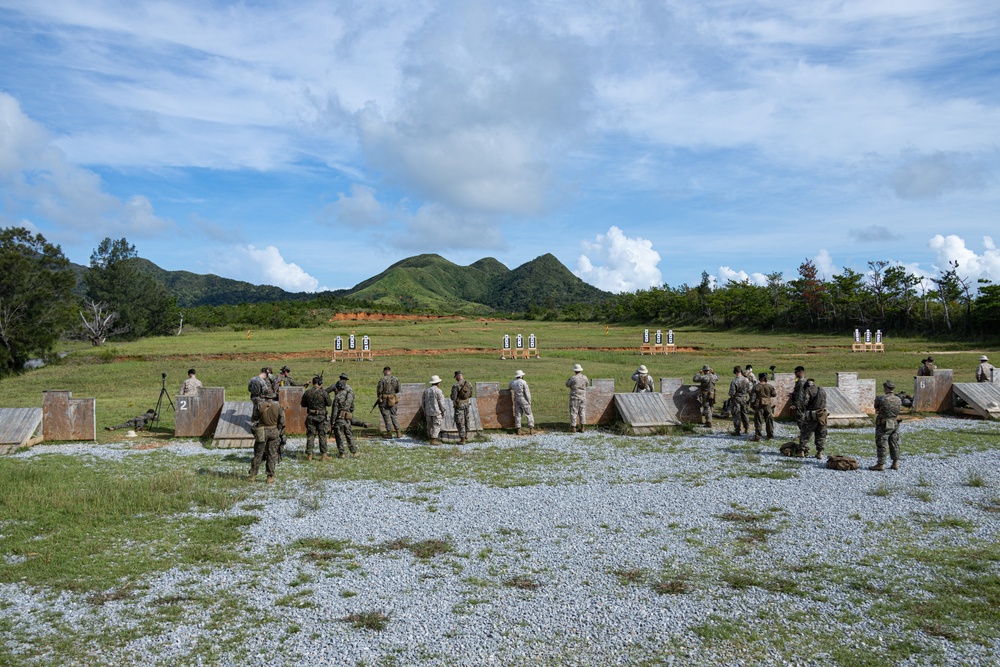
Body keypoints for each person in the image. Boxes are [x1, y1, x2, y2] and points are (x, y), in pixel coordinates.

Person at [249, 391, 283, 484]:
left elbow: (254, 418)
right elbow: (282, 421)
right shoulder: (279, 406)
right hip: (273, 431)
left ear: (264, 396)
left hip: (262, 431)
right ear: (272, 397)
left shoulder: (259, 406)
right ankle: (270, 476)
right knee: (272, 454)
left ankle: (252, 475)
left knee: (258, 453)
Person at [870, 380, 902, 471]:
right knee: (894, 443)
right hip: (895, 423)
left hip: (884, 424)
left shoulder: (881, 399)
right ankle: (895, 463)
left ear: (886, 388)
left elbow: (876, 409)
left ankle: (881, 464)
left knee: (882, 443)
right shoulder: (898, 399)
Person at [301, 375, 332, 461]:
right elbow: (329, 403)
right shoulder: (323, 393)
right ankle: (324, 455)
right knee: (322, 435)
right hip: (321, 417)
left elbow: (303, 404)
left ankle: (309, 455)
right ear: (320, 383)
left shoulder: (307, 392)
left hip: (311, 416)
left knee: (311, 435)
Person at [797, 379, 828, 459]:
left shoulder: (808, 390)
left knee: (805, 433)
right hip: (822, 414)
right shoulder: (821, 390)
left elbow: (804, 402)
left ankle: (801, 451)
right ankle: (819, 452)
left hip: (811, 415)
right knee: (821, 434)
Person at [330, 373, 358, 458]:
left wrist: (332, 422)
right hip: (347, 418)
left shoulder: (337, 397)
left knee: (339, 437)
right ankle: (354, 452)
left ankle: (342, 453)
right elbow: (352, 407)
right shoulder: (349, 394)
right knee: (349, 435)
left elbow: (334, 411)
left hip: (339, 419)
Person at [749, 372, 776, 441]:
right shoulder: (770, 386)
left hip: (759, 406)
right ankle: (770, 435)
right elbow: (774, 394)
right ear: (766, 378)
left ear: (759, 378)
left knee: (758, 421)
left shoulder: (756, 387)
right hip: (768, 405)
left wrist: (752, 405)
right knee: (769, 420)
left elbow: (752, 398)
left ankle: (758, 436)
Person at [377, 366, 401, 439]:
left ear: (384, 371)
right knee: (394, 415)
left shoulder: (382, 380)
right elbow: (398, 390)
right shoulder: (395, 379)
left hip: (384, 400)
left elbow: (379, 391)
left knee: (386, 416)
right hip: (393, 399)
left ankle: (389, 433)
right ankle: (398, 432)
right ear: (389, 371)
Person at [422, 375, 447, 445]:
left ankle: (430, 438)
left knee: (429, 426)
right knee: (436, 425)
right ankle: (433, 440)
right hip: (436, 412)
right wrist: (443, 411)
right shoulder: (438, 391)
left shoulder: (426, 390)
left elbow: (423, 402)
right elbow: (441, 403)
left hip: (428, 411)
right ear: (438, 383)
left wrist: (424, 410)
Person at [451, 370, 474, 444]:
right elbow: (470, 395)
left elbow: (454, 397)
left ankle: (462, 439)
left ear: (458, 376)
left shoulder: (456, 385)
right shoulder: (469, 384)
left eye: (456, 377)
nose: (455, 379)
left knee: (460, 421)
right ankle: (467, 435)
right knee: (467, 419)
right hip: (467, 404)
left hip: (459, 405)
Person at [509, 370, 534, 435]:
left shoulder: (512, 382)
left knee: (518, 414)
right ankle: (531, 429)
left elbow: (509, 387)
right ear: (521, 376)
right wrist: (529, 401)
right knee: (528, 414)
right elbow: (527, 392)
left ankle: (518, 429)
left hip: (516, 399)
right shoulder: (523, 382)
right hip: (524, 399)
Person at [728, 365, 751, 436]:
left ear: (735, 372)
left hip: (736, 399)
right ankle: (747, 428)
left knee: (736, 414)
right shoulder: (746, 380)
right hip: (744, 398)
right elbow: (749, 390)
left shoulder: (734, 381)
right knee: (745, 413)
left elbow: (732, 393)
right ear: (741, 371)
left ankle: (737, 430)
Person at [566, 364, 589, 433]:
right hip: (583, 397)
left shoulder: (573, 378)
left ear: (575, 371)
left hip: (574, 397)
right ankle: (582, 427)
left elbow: (567, 384)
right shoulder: (585, 377)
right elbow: (587, 385)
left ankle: (573, 427)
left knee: (574, 411)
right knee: (582, 411)